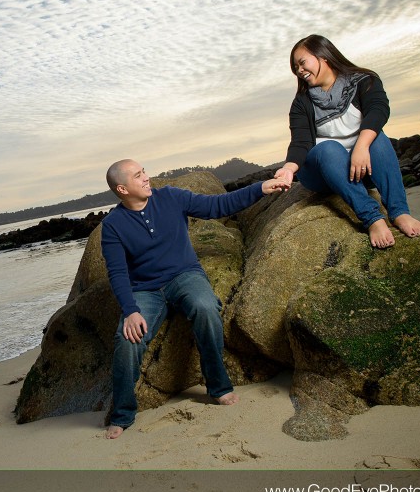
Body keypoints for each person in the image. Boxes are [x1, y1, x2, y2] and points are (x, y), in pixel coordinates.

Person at [100, 159, 288, 439]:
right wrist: (130, 310)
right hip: (145, 290)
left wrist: (261, 188)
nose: (147, 178)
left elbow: (218, 206)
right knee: (127, 340)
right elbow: (117, 273)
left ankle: (219, 386)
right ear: (122, 189)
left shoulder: (171, 197)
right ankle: (123, 414)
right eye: (138, 176)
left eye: (144, 171)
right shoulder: (113, 225)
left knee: (205, 307)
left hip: (184, 275)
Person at [274, 34, 420, 248]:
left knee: (378, 138)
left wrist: (361, 147)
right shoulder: (302, 103)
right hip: (324, 171)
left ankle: (399, 212)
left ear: (323, 56)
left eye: (302, 62)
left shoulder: (364, 80)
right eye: (295, 67)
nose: (299, 70)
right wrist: (289, 169)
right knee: (328, 149)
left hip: (362, 167)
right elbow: (301, 142)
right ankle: (372, 218)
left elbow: (378, 111)